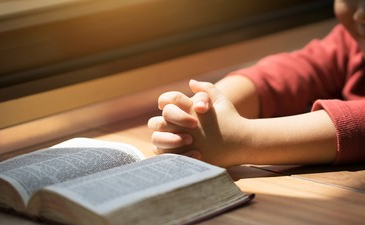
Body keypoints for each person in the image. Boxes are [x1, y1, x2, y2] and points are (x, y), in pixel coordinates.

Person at [147, 0, 365, 167]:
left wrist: (241, 140)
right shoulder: (351, 42)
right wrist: (204, 111)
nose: (360, 13)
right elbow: (291, 72)